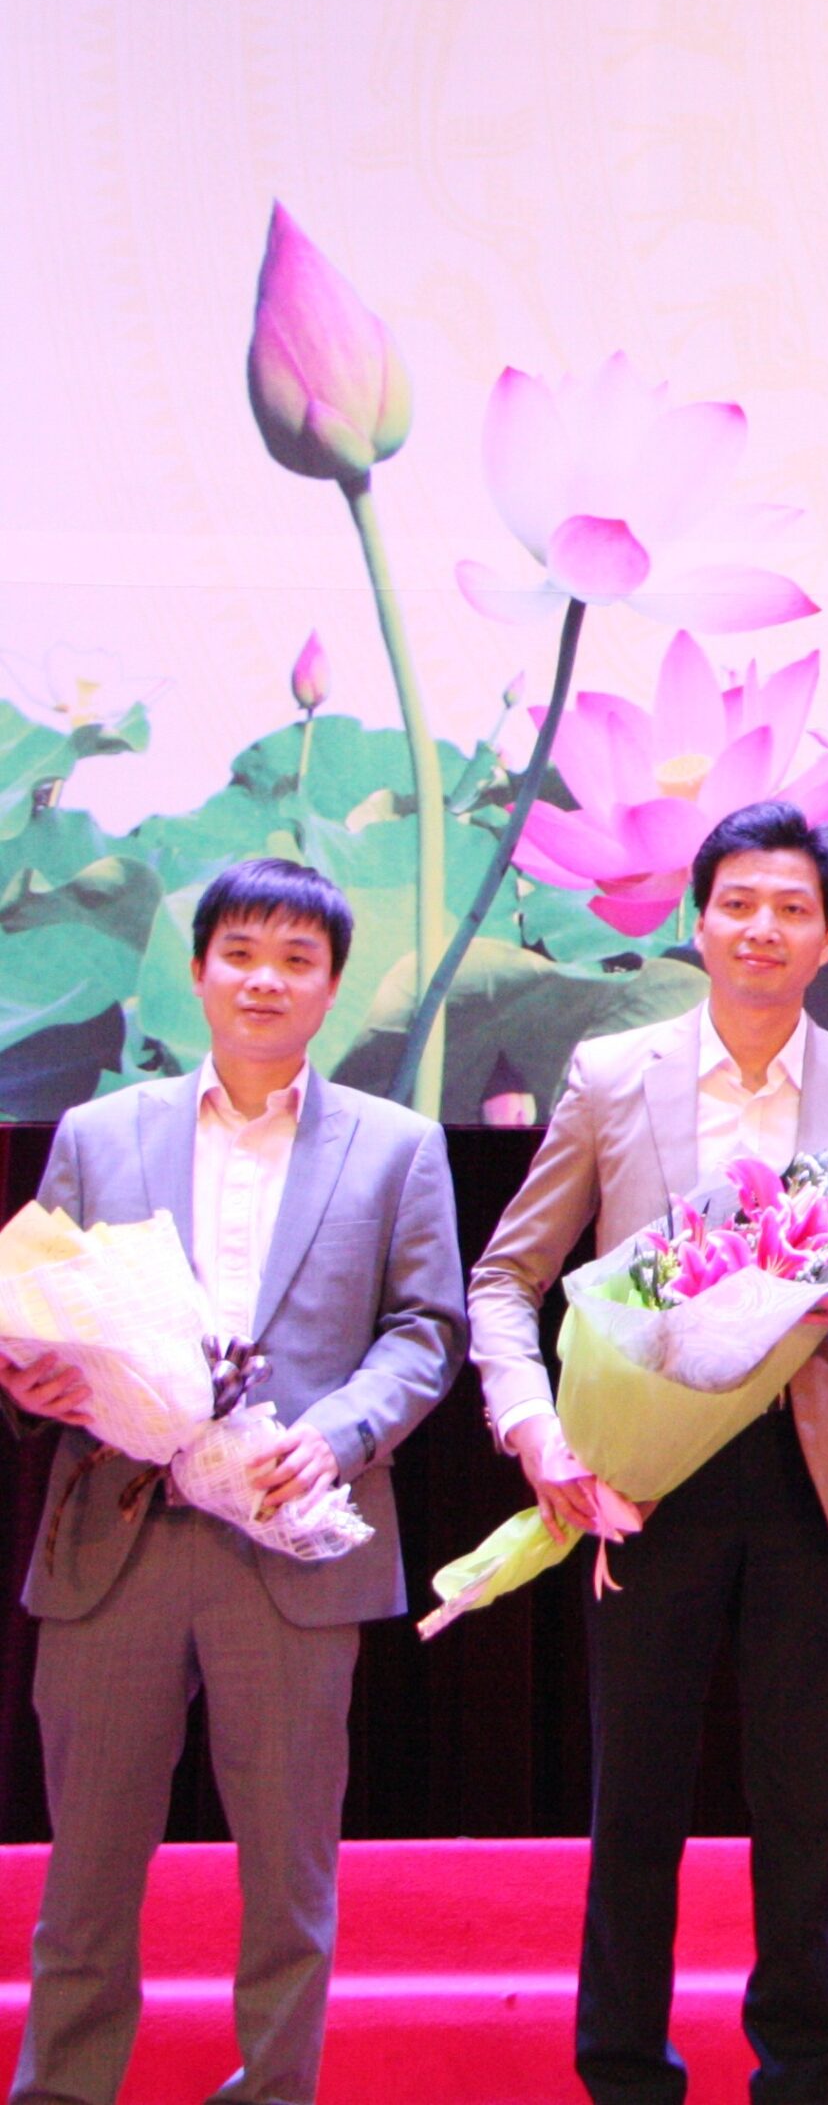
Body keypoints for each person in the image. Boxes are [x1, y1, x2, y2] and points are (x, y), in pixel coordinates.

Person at [468, 800, 828, 2105]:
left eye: (792, 907)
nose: (762, 928)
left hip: (808, 1485)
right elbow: (504, 1281)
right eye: (738, 902)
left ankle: (801, 2075)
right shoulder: (611, 1074)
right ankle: (624, 2072)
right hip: (644, 1480)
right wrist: (535, 1429)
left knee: (805, 1811)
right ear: (698, 919)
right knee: (634, 1808)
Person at [2, 858, 464, 2105]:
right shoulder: (99, 1134)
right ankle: (63, 2089)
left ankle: (273, 2089)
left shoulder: (397, 1146)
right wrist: (32, 1378)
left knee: (289, 1880)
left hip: (289, 1539)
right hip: (115, 1541)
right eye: (241, 953)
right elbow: (42, 1303)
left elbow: (427, 1328)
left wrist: (340, 1434)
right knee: (85, 1877)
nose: (265, 979)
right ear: (199, 970)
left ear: (330, 986)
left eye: (296, 959)